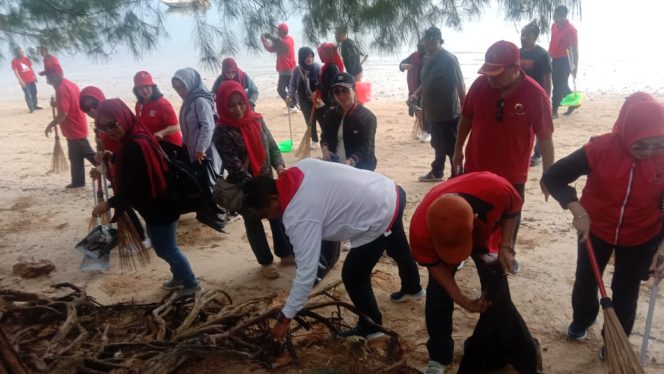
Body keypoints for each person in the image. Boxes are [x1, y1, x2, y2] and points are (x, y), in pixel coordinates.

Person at [243, 158, 423, 341]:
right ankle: (412, 287)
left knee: (353, 275)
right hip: (389, 191)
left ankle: (371, 326)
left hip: (379, 213)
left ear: (273, 198)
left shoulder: (299, 215)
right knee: (396, 243)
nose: (268, 218)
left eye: (265, 214)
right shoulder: (299, 168)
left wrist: (284, 318)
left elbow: (307, 273)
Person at [542, 93, 664, 352]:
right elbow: (554, 177)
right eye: (641, 145)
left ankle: (615, 342)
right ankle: (582, 319)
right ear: (627, 133)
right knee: (586, 280)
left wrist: (662, 248)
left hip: (643, 234)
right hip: (595, 228)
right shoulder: (601, 148)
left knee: (626, 289)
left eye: (658, 144)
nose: (650, 152)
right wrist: (577, 210)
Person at [410, 172, 540, 373]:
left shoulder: (498, 190)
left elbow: (513, 210)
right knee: (438, 295)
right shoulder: (420, 231)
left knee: (497, 289)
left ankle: (511, 345)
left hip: (483, 232)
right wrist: (461, 299)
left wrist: (506, 245)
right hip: (454, 233)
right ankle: (439, 356)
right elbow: (435, 266)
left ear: (475, 219)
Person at [91, 99, 201, 299]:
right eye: (104, 127)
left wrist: (109, 203)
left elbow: (135, 187)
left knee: (167, 250)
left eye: (113, 124)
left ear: (123, 118)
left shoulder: (135, 143)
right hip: (158, 203)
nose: (111, 130)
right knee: (164, 248)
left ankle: (191, 283)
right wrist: (113, 157)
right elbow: (136, 168)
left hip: (160, 205)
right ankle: (178, 277)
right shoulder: (135, 136)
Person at [453, 40, 554, 254]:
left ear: (515, 69)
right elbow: (466, 118)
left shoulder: (535, 95)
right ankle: (466, 251)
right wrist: (457, 150)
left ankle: (507, 252)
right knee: (470, 213)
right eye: (488, 72)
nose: (491, 78)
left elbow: (545, 138)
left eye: (496, 74)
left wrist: (549, 174)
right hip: (476, 169)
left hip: (512, 174)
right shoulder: (480, 85)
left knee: (511, 216)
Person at [213, 80, 293, 279]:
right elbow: (234, 165)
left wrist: (280, 167)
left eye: (241, 103)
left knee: (277, 217)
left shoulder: (257, 120)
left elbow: (272, 146)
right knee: (253, 222)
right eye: (231, 105)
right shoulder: (222, 131)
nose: (238, 109)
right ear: (223, 106)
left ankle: (285, 253)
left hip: (267, 178)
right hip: (246, 187)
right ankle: (265, 262)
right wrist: (255, 188)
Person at [80, 86, 150, 249]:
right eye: (85, 107)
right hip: (114, 173)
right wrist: (100, 160)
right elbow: (107, 153)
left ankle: (142, 237)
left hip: (123, 173)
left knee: (125, 202)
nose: (91, 110)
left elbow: (122, 154)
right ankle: (142, 235)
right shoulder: (101, 126)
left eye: (94, 104)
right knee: (125, 204)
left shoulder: (114, 125)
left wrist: (101, 168)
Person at [172, 67, 225, 232]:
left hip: (205, 151)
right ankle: (209, 211)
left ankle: (219, 213)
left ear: (191, 83)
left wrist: (201, 149)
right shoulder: (189, 101)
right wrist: (185, 143)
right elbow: (188, 127)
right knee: (202, 180)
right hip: (194, 150)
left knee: (211, 180)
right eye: (177, 88)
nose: (180, 91)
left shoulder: (200, 101)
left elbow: (208, 127)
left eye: (182, 87)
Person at [410, 27, 465, 182]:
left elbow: (460, 85)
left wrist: (467, 110)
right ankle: (437, 172)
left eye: (433, 42)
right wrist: (415, 94)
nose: (430, 46)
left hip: (448, 113)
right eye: (427, 42)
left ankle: (458, 175)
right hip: (432, 112)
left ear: (441, 42)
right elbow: (426, 82)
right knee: (437, 145)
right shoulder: (427, 59)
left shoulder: (449, 59)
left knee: (451, 147)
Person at [43, 64, 96, 188]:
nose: (48, 79)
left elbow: (63, 115)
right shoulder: (70, 84)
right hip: (76, 127)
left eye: (49, 76)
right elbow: (70, 104)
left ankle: (112, 173)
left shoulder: (61, 89)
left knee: (91, 156)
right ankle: (78, 182)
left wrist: (50, 125)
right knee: (75, 157)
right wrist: (56, 104)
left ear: (57, 75)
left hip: (74, 128)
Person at [320, 72, 377, 171]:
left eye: (345, 90)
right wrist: (325, 150)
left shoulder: (367, 117)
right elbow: (325, 136)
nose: (341, 95)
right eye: (337, 92)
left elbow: (366, 145)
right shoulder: (330, 114)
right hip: (335, 164)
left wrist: (351, 161)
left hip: (360, 167)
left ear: (354, 91)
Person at [520, 21, 552, 167]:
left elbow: (546, 78)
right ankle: (524, 152)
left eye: (527, 35)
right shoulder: (519, 52)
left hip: (538, 96)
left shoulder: (542, 55)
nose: (523, 38)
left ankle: (538, 154)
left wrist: (547, 98)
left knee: (540, 127)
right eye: (522, 35)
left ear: (535, 37)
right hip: (521, 95)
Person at [133, 71, 182, 147]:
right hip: (152, 144)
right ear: (136, 91)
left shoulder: (162, 103)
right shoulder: (139, 104)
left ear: (152, 87)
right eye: (140, 88)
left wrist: (162, 133)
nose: (144, 90)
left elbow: (176, 127)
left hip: (170, 145)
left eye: (146, 87)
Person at [287, 47, 321, 148]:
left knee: (321, 118)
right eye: (307, 57)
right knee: (309, 120)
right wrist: (289, 95)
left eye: (311, 56)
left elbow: (322, 82)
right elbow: (292, 85)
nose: (310, 59)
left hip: (317, 98)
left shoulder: (317, 67)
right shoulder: (297, 70)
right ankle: (314, 140)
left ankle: (326, 140)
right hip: (303, 100)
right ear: (302, 57)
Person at [549, 5, 579, 118]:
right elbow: (552, 41)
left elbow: (575, 50)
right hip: (555, 58)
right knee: (560, 83)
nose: (556, 19)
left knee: (557, 85)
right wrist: (549, 53)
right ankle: (572, 100)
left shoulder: (571, 30)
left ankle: (554, 110)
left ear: (564, 16)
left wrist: (575, 67)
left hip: (565, 60)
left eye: (558, 16)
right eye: (555, 16)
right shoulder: (554, 26)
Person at [261, 23, 296, 111]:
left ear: (284, 32)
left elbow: (279, 42)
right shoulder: (286, 40)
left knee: (280, 90)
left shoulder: (287, 41)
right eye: (278, 31)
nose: (278, 33)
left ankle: (292, 106)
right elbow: (271, 48)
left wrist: (269, 37)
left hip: (286, 69)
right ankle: (294, 105)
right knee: (290, 88)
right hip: (287, 69)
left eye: (279, 31)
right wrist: (264, 41)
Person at [11, 47, 41, 113]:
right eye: (20, 51)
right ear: (17, 52)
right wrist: (21, 81)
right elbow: (16, 72)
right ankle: (31, 108)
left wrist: (35, 76)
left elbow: (30, 67)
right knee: (27, 94)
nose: (22, 53)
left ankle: (34, 105)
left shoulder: (26, 58)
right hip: (24, 80)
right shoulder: (14, 61)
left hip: (31, 78)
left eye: (22, 51)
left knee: (34, 92)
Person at [317, 43, 345, 108]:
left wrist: (319, 86)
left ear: (327, 54)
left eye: (321, 54)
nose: (320, 56)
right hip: (329, 99)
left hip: (332, 101)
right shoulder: (328, 66)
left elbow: (331, 86)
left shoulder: (332, 68)